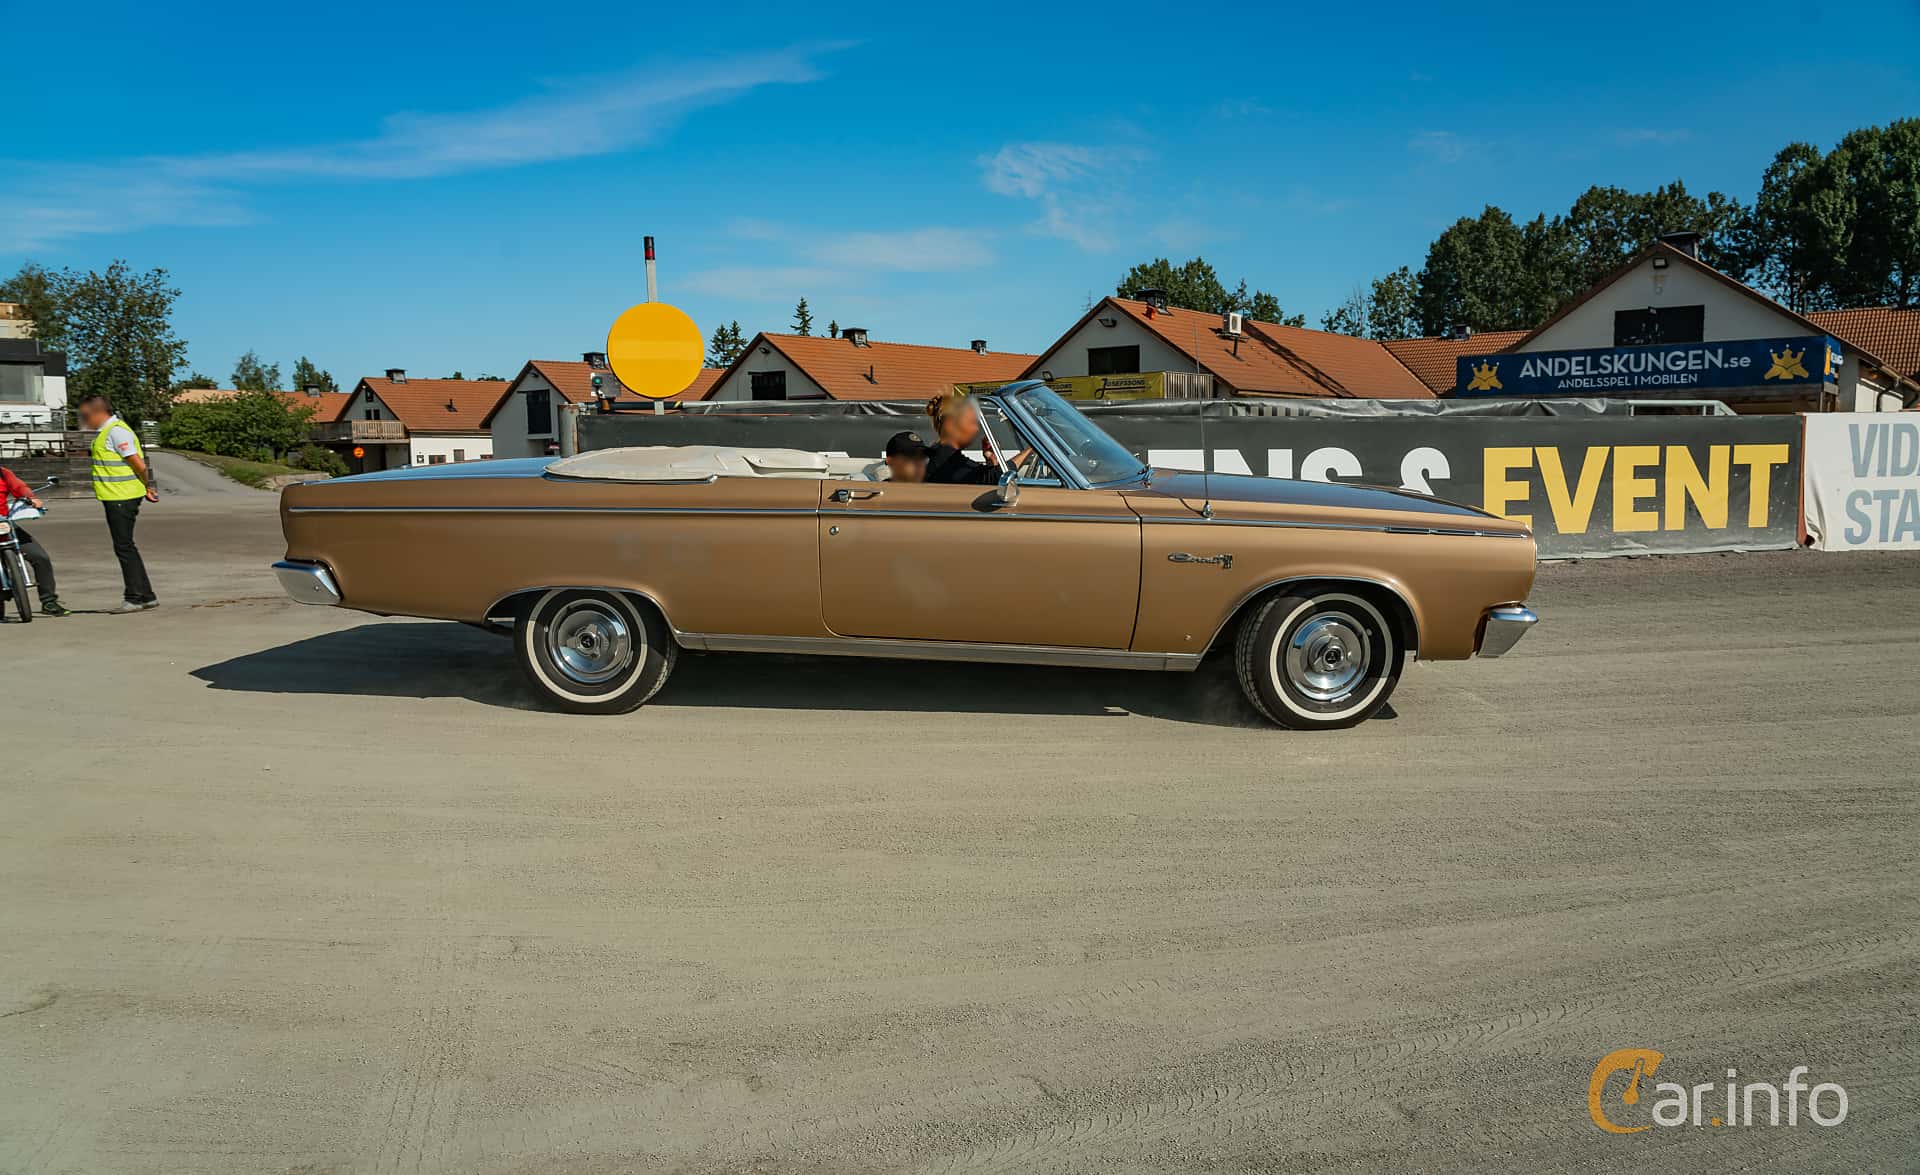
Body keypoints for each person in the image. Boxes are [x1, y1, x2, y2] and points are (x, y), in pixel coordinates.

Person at [75, 393, 159, 613]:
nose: (85, 421)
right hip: (116, 495)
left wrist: (150, 486)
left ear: (99, 412)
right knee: (126, 546)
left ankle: (134, 597)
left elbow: (138, 464)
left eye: (86, 416)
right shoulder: (106, 433)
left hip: (122, 496)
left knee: (124, 546)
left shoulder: (116, 432)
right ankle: (146, 596)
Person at [0, 466, 69, 617]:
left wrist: (30, 498)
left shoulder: (3, 473)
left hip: (4, 524)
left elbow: (19, 487)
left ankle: (48, 601)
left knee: (40, 557)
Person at [922, 389, 1029, 485]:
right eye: (971, 422)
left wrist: (992, 460)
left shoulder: (944, 454)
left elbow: (979, 479)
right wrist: (1032, 448)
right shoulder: (945, 460)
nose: (976, 429)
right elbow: (997, 478)